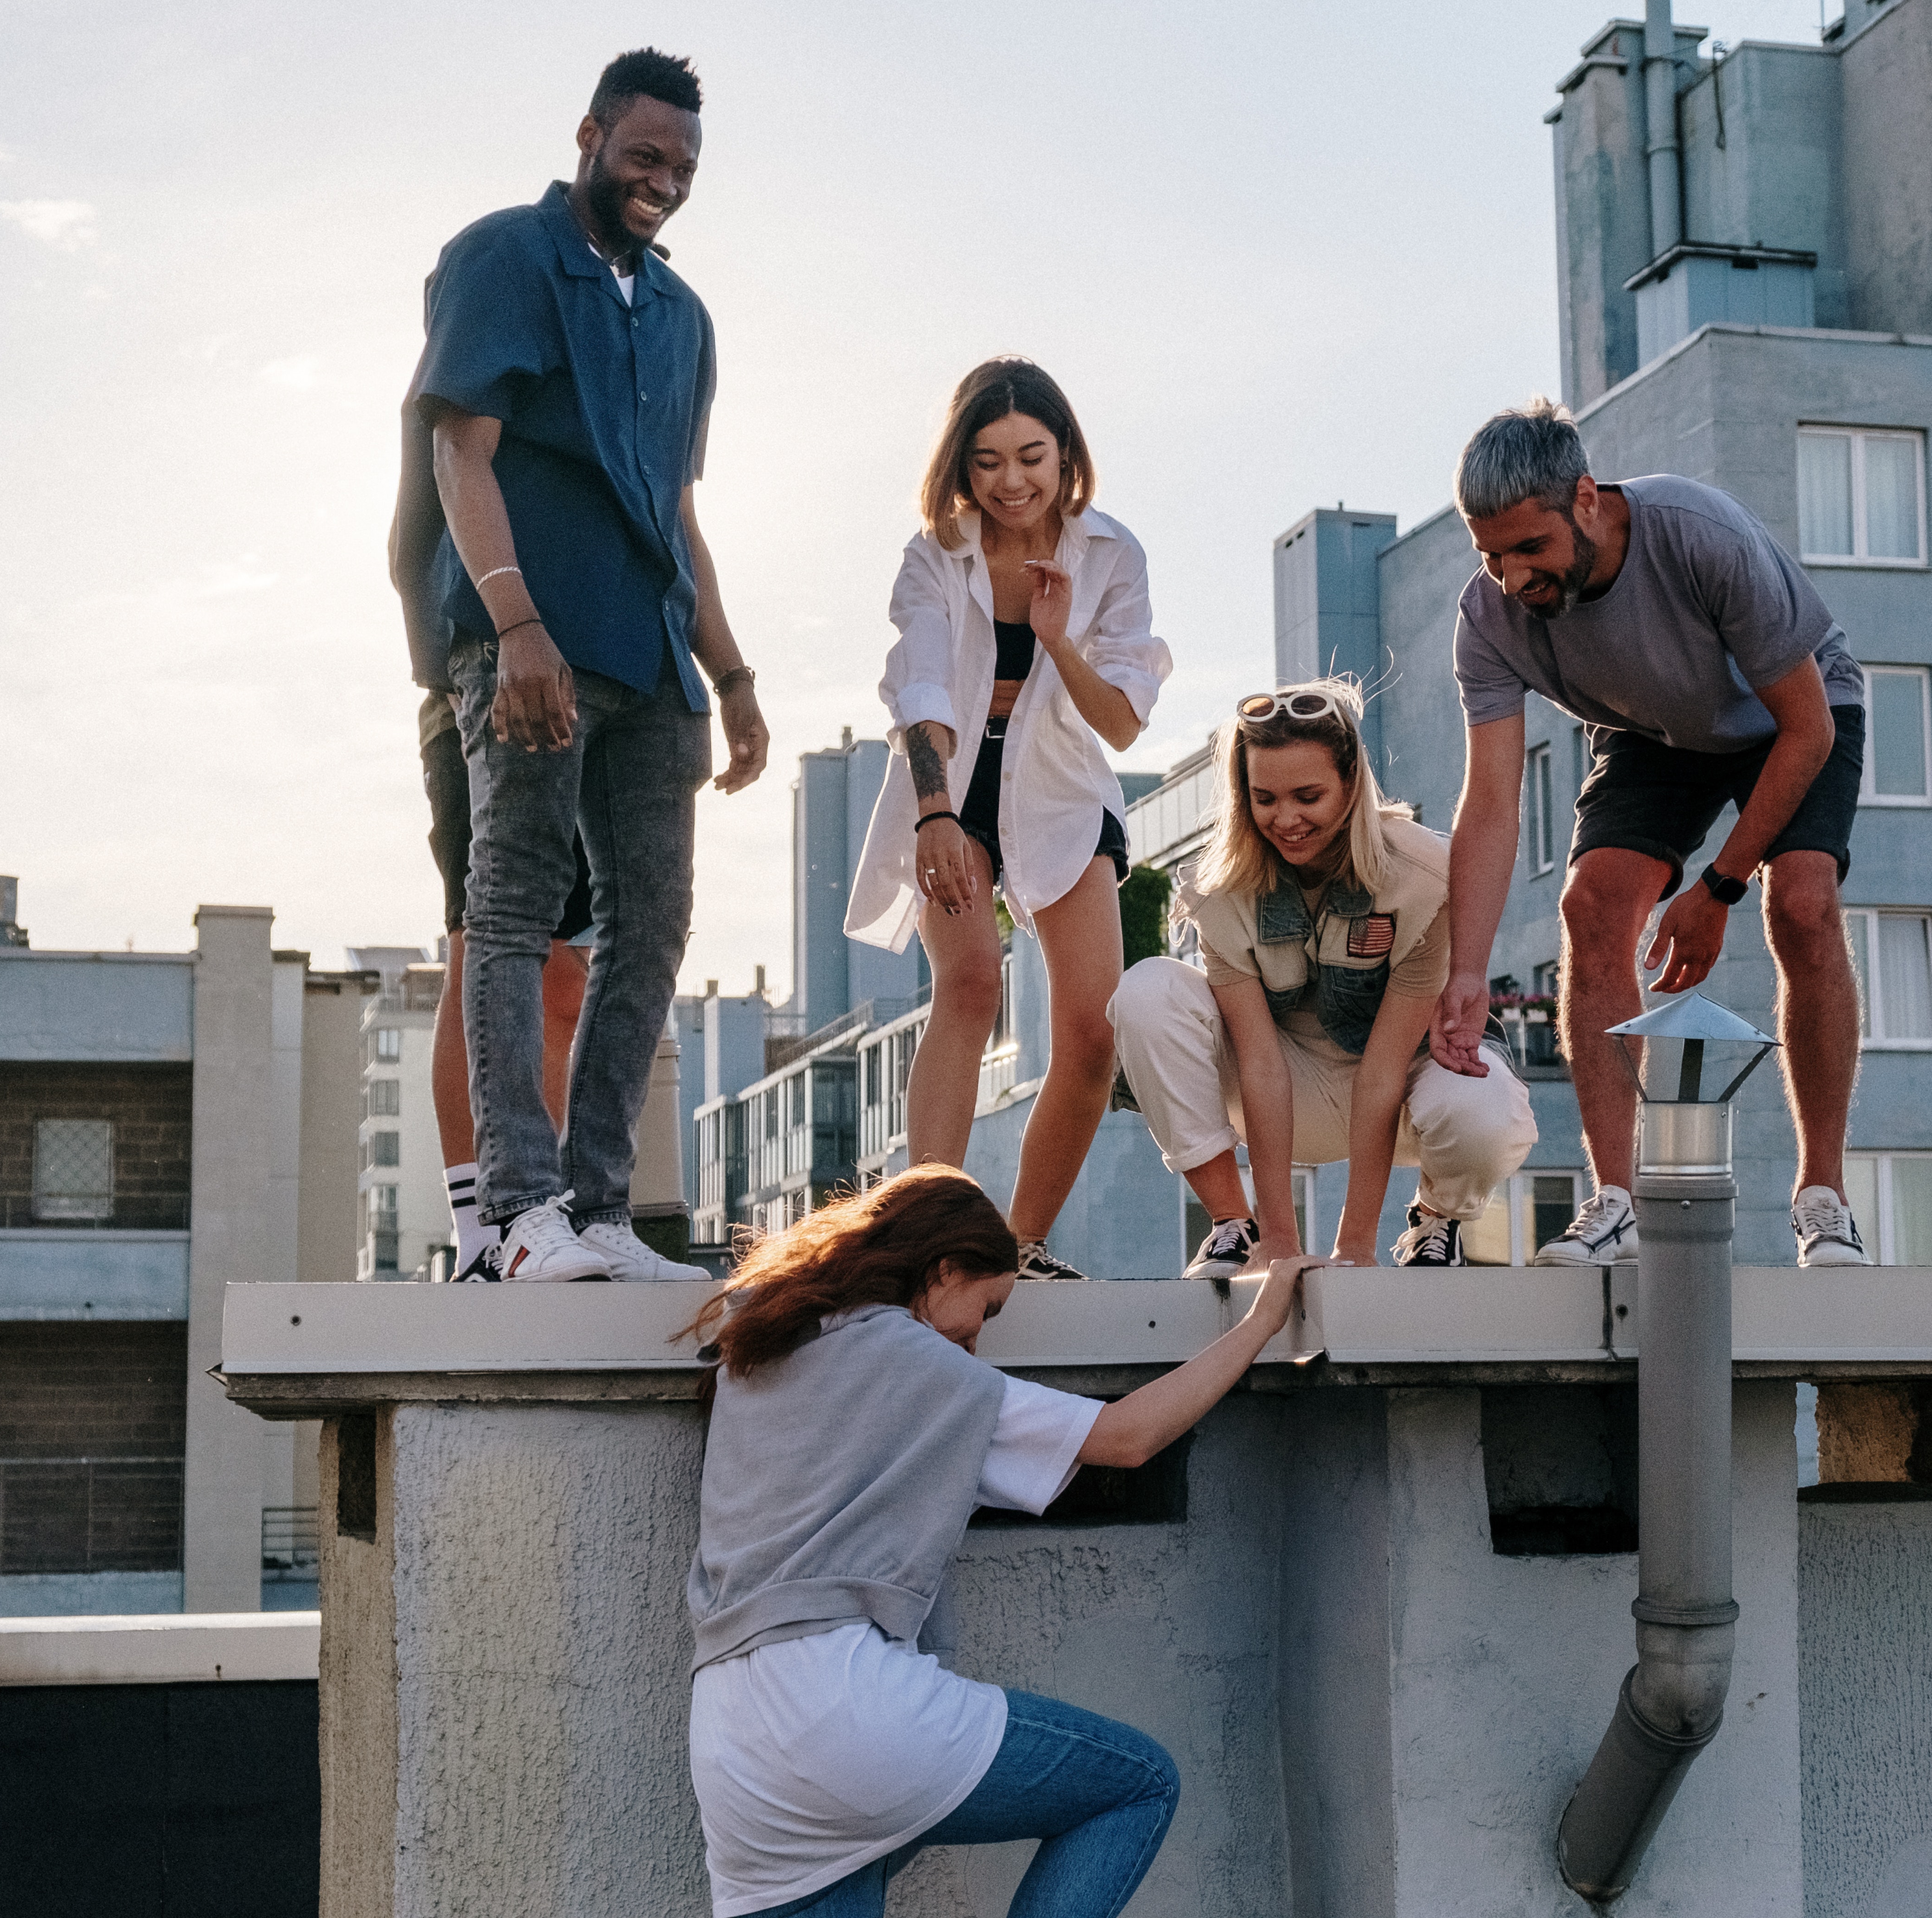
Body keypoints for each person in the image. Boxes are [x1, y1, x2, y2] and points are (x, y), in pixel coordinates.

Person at [682, 1163, 1309, 1917]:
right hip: (836, 1704)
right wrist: (1261, 1324)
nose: (976, 1340)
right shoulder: (914, 1361)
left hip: (727, 1744)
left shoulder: (763, 1340)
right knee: (1134, 1786)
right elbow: (1127, 1438)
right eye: (987, 1308)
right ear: (943, 1270)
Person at [391, 48, 768, 1282]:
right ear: (592, 136)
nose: (663, 180)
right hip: (528, 650)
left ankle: (602, 1212)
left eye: (684, 167)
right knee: (508, 917)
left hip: (652, 664)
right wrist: (514, 629)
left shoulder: (683, 317)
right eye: (646, 155)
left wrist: (735, 673)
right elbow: (463, 452)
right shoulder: (504, 256)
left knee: (650, 929)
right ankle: (513, 1217)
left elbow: (678, 511)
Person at [1429, 401, 1871, 1268]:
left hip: (1791, 713)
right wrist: (1469, 972)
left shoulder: (1697, 535)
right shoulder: (1489, 619)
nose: (1514, 578)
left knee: (1806, 904)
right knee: (1591, 908)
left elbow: (1808, 730)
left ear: (1586, 500)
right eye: (1492, 556)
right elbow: (1489, 804)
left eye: (1531, 550)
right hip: (1656, 733)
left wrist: (1718, 889)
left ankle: (1824, 1198)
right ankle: (1618, 1204)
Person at [844, 360, 1170, 1283]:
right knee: (971, 986)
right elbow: (920, 684)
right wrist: (936, 812)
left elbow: (1120, 719)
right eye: (987, 460)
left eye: (1032, 455)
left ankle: (1017, 1245)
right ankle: (926, 1241)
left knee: (1093, 1030)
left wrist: (1057, 638)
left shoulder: (1112, 554)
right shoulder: (935, 555)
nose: (1012, 480)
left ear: (1067, 455)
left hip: (1065, 789)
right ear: (961, 464)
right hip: (953, 784)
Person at [1111, 681, 1538, 1278]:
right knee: (1147, 992)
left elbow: (1385, 1070)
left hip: (1405, 1088)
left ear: (1351, 787)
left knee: (1486, 1110)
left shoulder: (1424, 879)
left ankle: (1436, 1223)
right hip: (1285, 1085)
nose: (1286, 820)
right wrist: (1281, 1242)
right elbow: (1260, 1063)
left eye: (1308, 796)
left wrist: (1355, 1248)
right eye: (1265, 798)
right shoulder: (1218, 889)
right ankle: (1237, 1230)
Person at [413, 688, 591, 1281]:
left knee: (565, 982)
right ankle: (482, 1237)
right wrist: (445, 662)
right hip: (481, 700)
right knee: (479, 943)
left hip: (586, 706)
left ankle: (549, 1212)